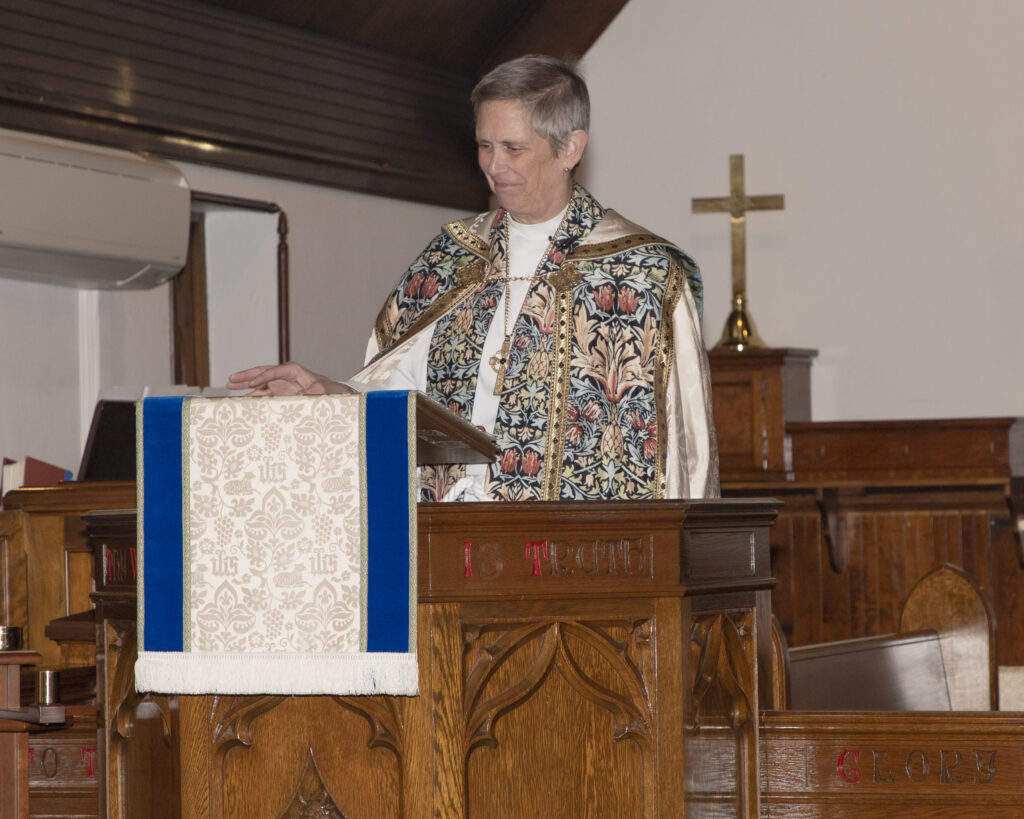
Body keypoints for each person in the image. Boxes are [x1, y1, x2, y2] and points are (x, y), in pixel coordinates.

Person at [229, 54, 718, 502]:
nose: (493, 166)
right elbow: (396, 392)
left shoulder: (643, 273)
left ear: (570, 147)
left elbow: (686, 446)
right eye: (484, 145)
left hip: (582, 558)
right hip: (450, 541)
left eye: (513, 147)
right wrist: (329, 393)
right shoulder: (453, 257)